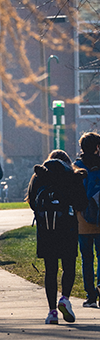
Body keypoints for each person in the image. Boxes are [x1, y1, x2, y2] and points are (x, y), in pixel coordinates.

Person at [27, 150, 88, 324]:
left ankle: (52, 311)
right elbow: (82, 203)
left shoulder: (39, 176)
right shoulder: (71, 176)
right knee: (68, 266)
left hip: (46, 229)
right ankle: (65, 299)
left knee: (50, 270)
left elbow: (32, 201)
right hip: (67, 227)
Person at [73, 132, 100, 308]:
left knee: (86, 258)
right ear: (97, 147)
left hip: (82, 220)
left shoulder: (76, 167)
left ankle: (91, 296)